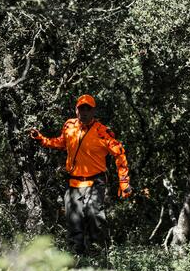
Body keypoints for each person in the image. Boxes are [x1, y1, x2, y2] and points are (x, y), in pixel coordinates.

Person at [30, 94, 131, 254]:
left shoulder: (102, 132)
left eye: (87, 109)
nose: (83, 112)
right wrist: (42, 140)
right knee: (73, 222)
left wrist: (124, 182)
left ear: (93, 111)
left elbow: (120, 153)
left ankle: (99, 254)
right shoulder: (69, 126)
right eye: (81, 109)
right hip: (74, 183)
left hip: (95, 182)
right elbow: (62, 142)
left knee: (93, 214)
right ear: (76, 110)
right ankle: (76, 260)